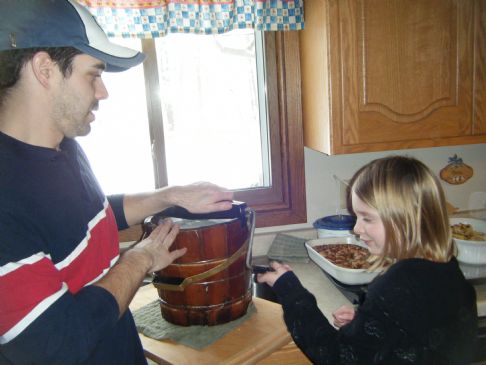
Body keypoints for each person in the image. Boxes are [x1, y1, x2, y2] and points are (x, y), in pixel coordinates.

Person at [0, 1, 234, 364]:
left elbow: (81, 221)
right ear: (45, 69)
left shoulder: (64, 147)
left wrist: (169, 195)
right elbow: (58, 347)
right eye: (93, 74)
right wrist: (138, 259)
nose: (103, 92)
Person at [258, 156, 478, 365]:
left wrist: (291, 290)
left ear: (406, 219)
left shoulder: (398, 284)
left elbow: (335, 358)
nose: (356, 228)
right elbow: (418, 337)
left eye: (367, 218)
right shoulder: (448, 270)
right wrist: (366, 323)